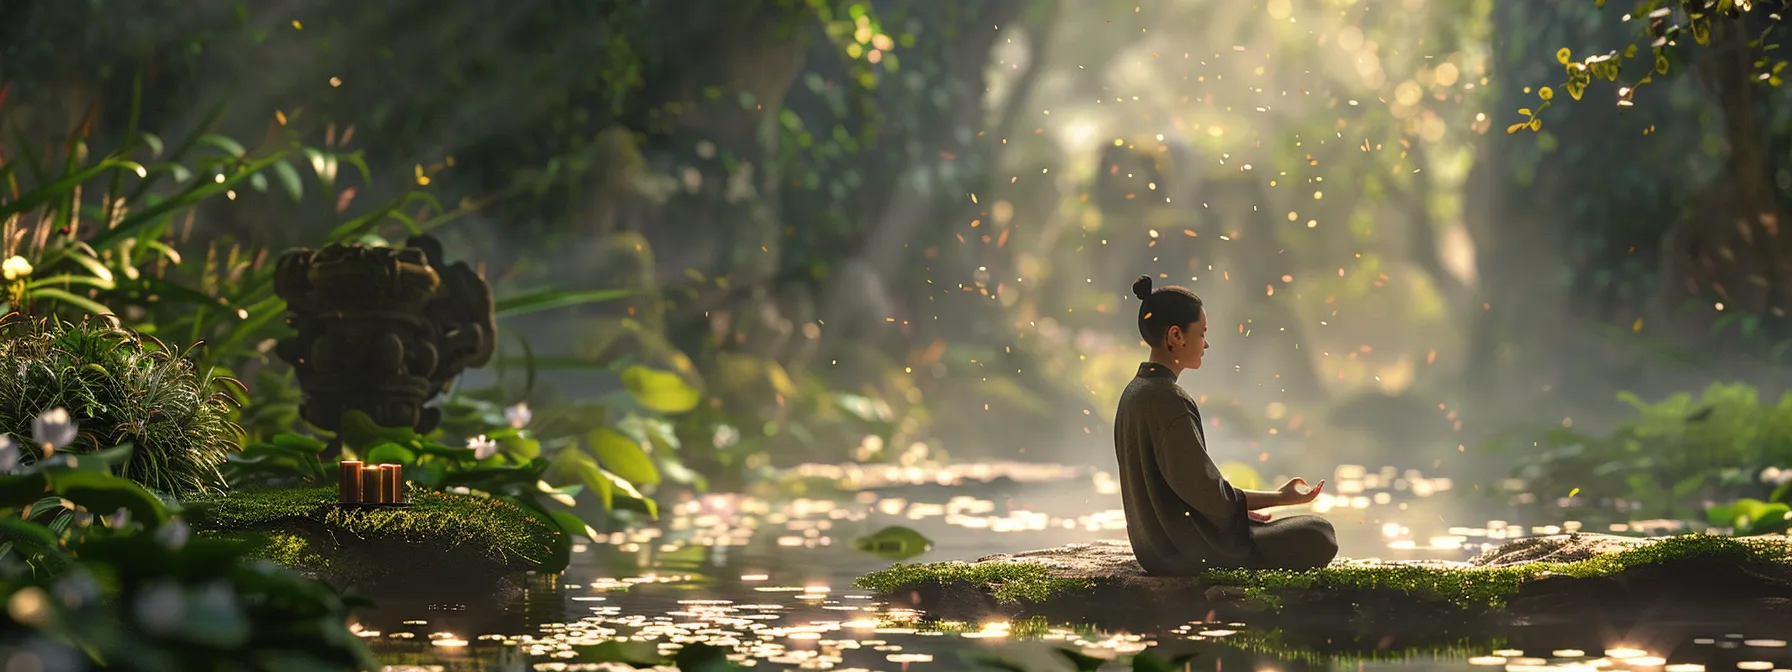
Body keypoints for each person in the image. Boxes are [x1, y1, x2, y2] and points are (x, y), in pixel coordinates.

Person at [1113, 275, 1339, 574]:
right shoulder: (1169, 399)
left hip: (1153, 548)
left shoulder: (1134, 391)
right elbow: (1209, 494)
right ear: (1176, 336)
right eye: (1201, 333)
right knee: (1319, 532)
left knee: (1307, 531)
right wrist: (1281, 498)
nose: (1206, 344)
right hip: (1187, 551)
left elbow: (1188, 489)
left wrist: (1238, 512)